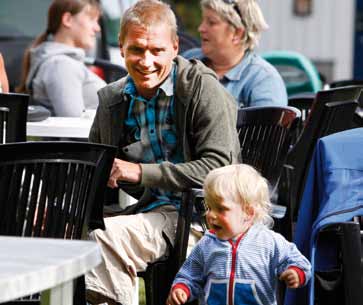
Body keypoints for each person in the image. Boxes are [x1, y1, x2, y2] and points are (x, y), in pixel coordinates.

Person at [85, 1, 240, 305]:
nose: (146, 61)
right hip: (148, 212)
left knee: (101, 238)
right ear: (121, 47)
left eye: (156, 51)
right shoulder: (113, 100)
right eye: (136, 50)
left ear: (174, 47)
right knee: (62, 234)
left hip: (202, 217)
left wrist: (140, 172)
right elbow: (94, 166)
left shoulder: (199, 88)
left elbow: (219, 168)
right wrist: (58, 205)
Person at [167, 164, 311, 305]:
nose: (211, 215)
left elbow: (296, 260)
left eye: (221, 209)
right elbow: (190, 274)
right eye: (209, 207)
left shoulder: (268, 241)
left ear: (248, 213)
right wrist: (182, 288)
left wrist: (296, 272)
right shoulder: (207, 243)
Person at [183, 0, 287, 108]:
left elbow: (266, 125)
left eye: (211, 22)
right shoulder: (187, 60)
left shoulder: (263, 80)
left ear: (238, 33)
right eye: (203, 20)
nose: (201, 28)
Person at [16, 0, 106, 117]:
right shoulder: (62, 65)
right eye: (91, 19)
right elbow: (72, 126)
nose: (97, 28)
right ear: (67, 20)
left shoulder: (60, 63)